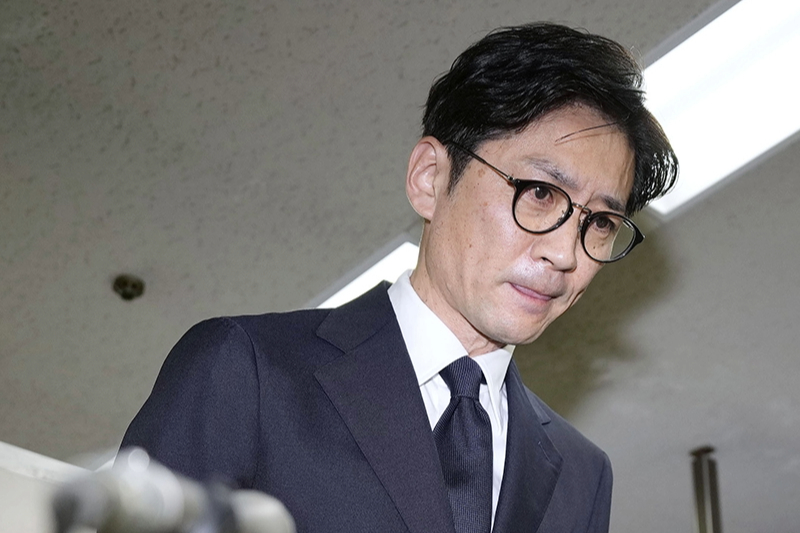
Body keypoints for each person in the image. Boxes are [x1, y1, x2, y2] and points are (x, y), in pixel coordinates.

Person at [120, 22, 678, 533]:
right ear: (430, 178)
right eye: (539, 193)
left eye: (600, 223)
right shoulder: (248, 369)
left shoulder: (583, 475)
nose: (564, 253)